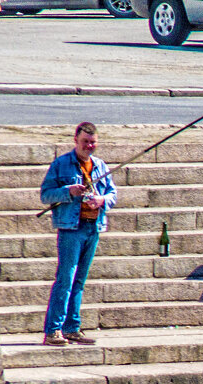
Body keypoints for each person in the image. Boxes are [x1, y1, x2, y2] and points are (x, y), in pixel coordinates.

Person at [38, 121, 117, 346]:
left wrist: (102, 201)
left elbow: (112, 193)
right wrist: (68, 191)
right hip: (71, 229)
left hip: (93, 228)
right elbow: (45, 195)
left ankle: (72, 327)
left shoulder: (100, 165)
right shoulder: (61, 164)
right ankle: (53, 330)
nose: (89, 146)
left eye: (93, 143)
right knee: (66, 279)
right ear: (76, 141)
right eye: (85, 142)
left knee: (79, 281)